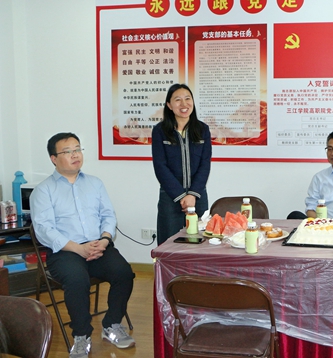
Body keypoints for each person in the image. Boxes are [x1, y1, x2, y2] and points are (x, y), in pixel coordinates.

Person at [31, 132, 135, 358]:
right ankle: (81, 336)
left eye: (77, 149)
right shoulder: (43, 190)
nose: (75, 155)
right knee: (77, 280)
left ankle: (112, 325)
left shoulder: (95, 184)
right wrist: (78, 248)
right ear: (53, 159)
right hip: (65, 251)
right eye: (67, 151)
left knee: (124, 273)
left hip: (98, 246)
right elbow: (44, 229)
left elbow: (108, 215)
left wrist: (105, 240)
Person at [152, 83, 212, 245]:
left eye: (187, 98)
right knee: (169, 245)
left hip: (198, 197)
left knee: (200, 242)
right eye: (177, 100)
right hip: (170, 197)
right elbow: (160, 166)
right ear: (169, 105)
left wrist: (192, 195)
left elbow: (205, 164)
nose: (184, 104)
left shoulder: (202, 130)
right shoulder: (160, 131)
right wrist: (181, 196)